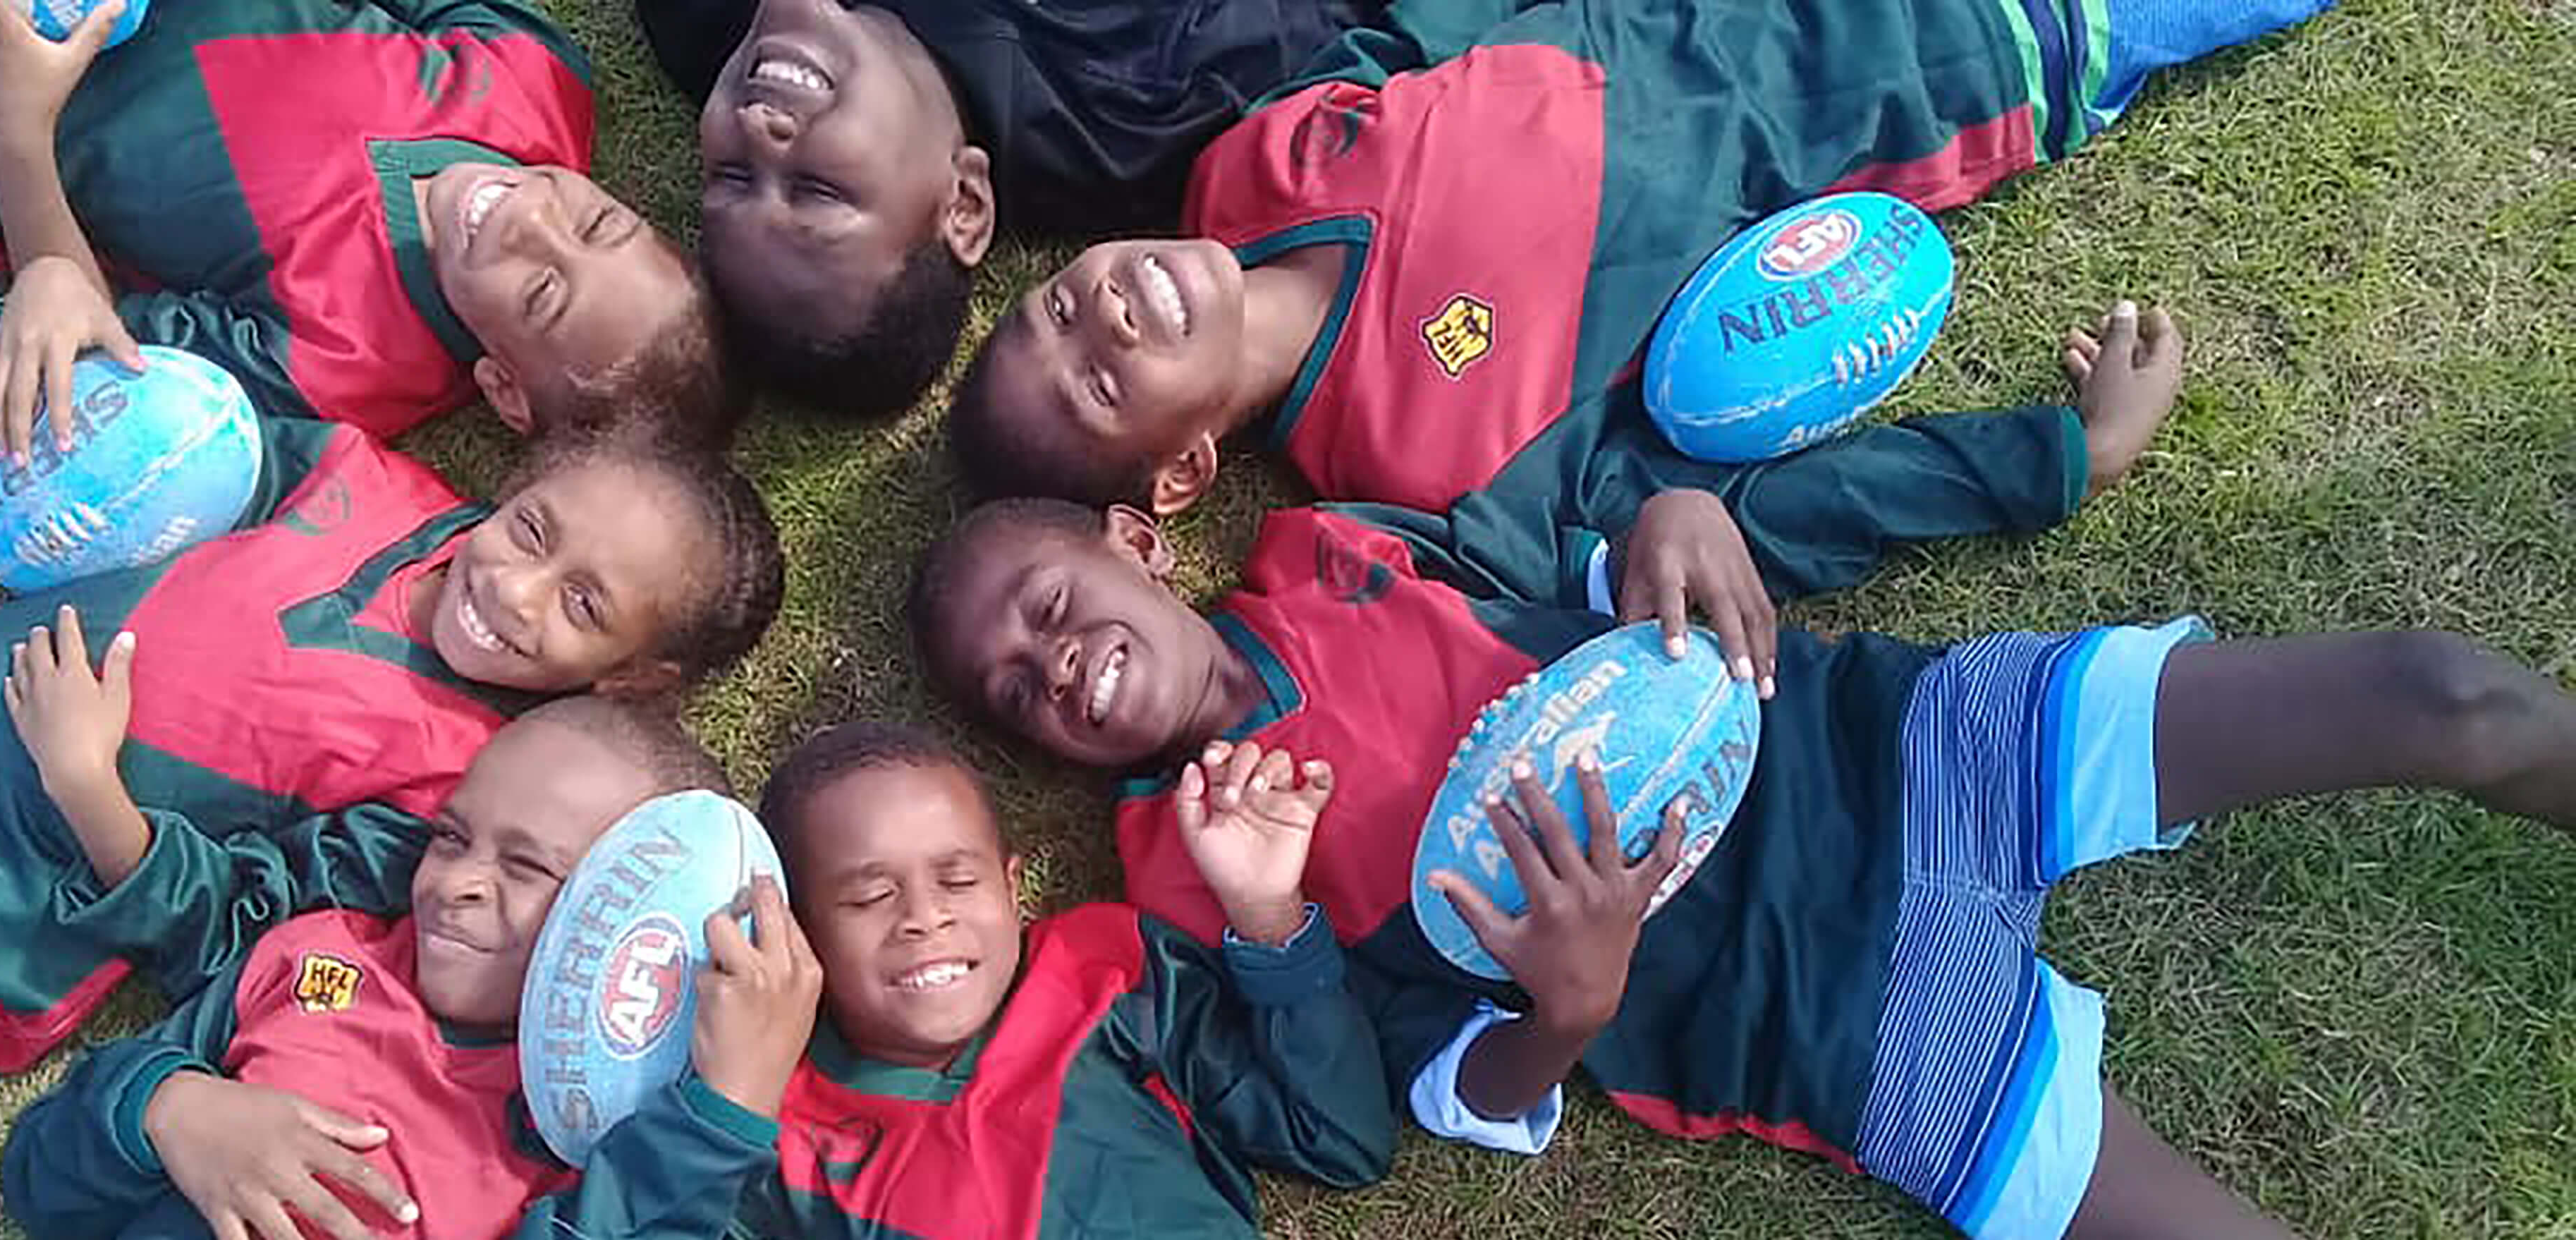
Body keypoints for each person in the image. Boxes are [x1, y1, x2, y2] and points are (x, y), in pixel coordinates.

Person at [905, 495, 2576, 1238]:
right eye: (1013, 690)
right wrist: (1565, 1007)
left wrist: (1675, 509)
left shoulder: (1334, 549)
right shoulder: (1188, 879)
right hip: (1829, 1027)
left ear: (1139, 540)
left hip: (1897, 749)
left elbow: (1590, 556)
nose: (1054, 666)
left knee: (2441, 693)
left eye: (1048, 608)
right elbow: (1381, 1115)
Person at [941, 0, 2325, 569]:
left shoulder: (1249, 160)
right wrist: (2061, 457)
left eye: (1061, 308)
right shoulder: (1442, 465)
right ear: (1183, 470)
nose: (1106, 312)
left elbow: (1438, 32)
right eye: (1104, 378)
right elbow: (1747, 523)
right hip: (1980, 49)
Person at [0, 384, 785, 1085]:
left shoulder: (457, 792)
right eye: (532, 530)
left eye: (583, 605)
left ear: (632, 676)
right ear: (517, 487)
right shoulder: (359, 476)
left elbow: (230, 936)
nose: (516, 589)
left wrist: (85, 786)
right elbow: (193, 453)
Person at [0, 695, 816, 1240]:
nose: (455, 884)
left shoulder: (596, 1137)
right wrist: (170, 1110)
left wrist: (724, 1114)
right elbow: (40, 1178)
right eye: (451, 837)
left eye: (528, 868)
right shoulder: (316, 956)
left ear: (641, 925)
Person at [0, 0, 733, 452]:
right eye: (598, 222)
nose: (533, 216)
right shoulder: (537, 82)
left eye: (542, 292)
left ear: (504, 387)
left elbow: (77, 334)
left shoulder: (337, 370)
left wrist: (13, 126)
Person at [726, 720, 1396, 1238]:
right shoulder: (775, 1130)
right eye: (871, 898)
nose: (925, 917)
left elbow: (1339, 1140)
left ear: (1011, 889)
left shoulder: (1108, 977)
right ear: (797, 932)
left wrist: (1268, 915)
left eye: (958, 880)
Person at [686, 0, 1390, 419]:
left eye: (732, 176)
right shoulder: (1128, 114)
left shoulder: (714, 20)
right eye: (817, 188)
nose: (759, 128)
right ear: (964, 204)